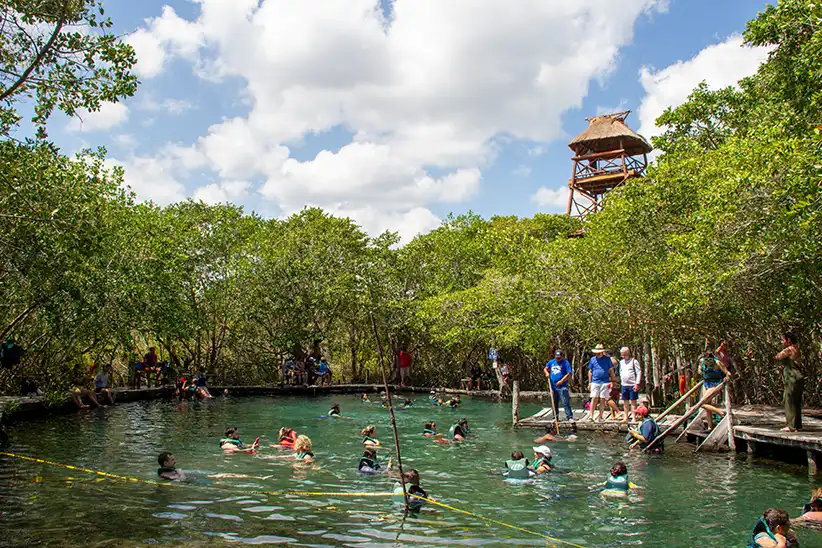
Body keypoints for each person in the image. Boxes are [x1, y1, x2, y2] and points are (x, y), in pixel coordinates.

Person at [776, 332, 803, 432]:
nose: (782, 342)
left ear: (788, 341)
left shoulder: (789, 349)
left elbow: (778, 356)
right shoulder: (797, 348)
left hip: (792, 377)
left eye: (783, 340)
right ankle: (797, 425)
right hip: (798, 376)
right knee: (797, 401)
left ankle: (790, 426)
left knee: (789, 400)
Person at [700, 349, 730, 431]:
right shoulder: (702, 362)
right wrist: (700, 370)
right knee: (707, 406)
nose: (708, 362)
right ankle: (710, 427)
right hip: (705, 383)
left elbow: (727, 372)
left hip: (715, 384)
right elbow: (700, 370)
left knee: (702, 404)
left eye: (710, 360)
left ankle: (720, 412)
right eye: (706, 360)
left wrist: (727, 377)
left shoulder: (717, 363)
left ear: (712, 359)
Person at [588, 345, 617, 422]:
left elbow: (611, 370)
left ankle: (600, 416)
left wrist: (613, 380)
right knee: (594, 398)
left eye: (599, 353)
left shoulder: (607, 359)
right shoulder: (593, 359)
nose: (597, 354)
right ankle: (591, 415)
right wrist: (590, 382)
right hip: (595, 381)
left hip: (605, 381)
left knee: (602, 399)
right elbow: (590, 371)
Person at [545, 349, 574, 422]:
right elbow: (546, 369)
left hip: (562, 386)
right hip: (553, 386)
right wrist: (547, 373)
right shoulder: (551, 362)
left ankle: (569, 417)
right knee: (554, 402)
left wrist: (561, 381)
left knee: (565, 402)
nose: (557, 359)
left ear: (562, 356)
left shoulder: (565, 363)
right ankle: (555, 417)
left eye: (559, 357)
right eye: (556, 357)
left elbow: (569, 374)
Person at [618, 347, 641, 423]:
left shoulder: (634, 361)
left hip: (632, 384)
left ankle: (634, 418)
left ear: (627, 353)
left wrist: (637, 383)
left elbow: (638, 372)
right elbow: (621, 371)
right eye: (622, 355)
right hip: (624, 384)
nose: (622, 356)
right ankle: (626, 417)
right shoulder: (621, 362)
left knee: (633, 402)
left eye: (623, 354)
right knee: (625, 401)